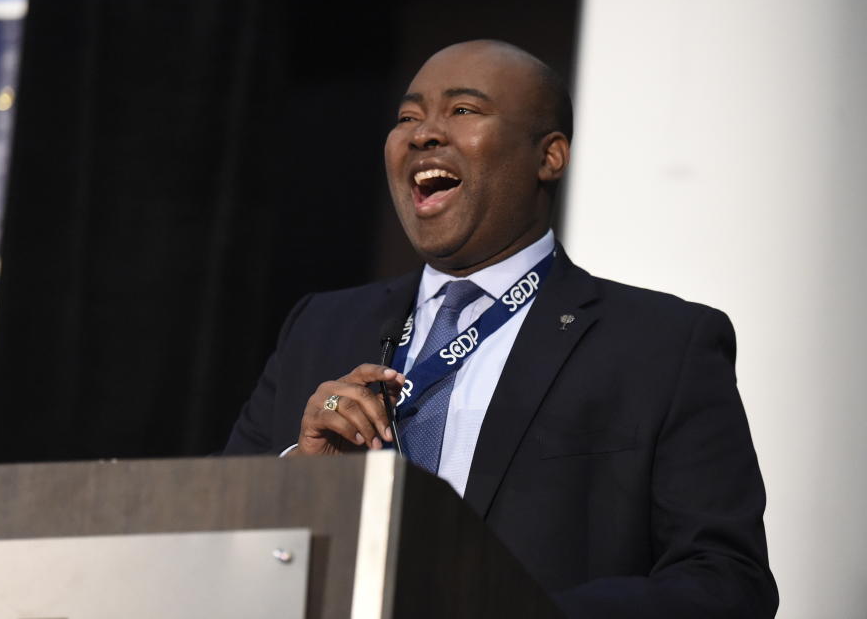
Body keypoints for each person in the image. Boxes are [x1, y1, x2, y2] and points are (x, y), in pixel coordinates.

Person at [224, 40, 778, 618]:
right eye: (408, 118)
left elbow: (726, 582)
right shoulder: (319, 327)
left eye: (462, 111)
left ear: (550, 156)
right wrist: (299, 472)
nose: (423, 134)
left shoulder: (661, 344)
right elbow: (206, 535)